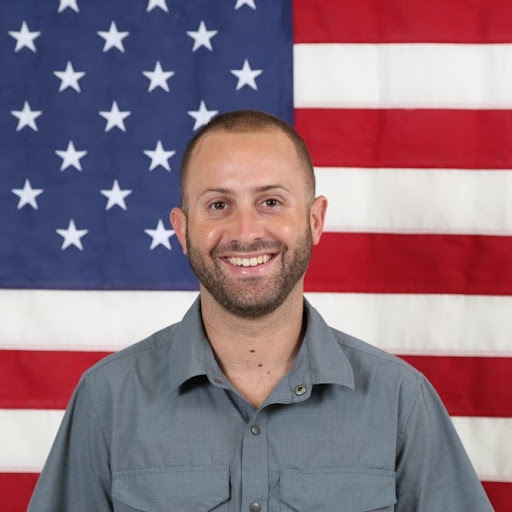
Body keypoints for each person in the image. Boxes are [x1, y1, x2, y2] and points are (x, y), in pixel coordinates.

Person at [28, 110, 493, 511]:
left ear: (314, 221)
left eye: (271, 202)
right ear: (182, 230)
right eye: (218, 204)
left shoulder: (400, 400)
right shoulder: (107, 399)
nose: (245, 231)